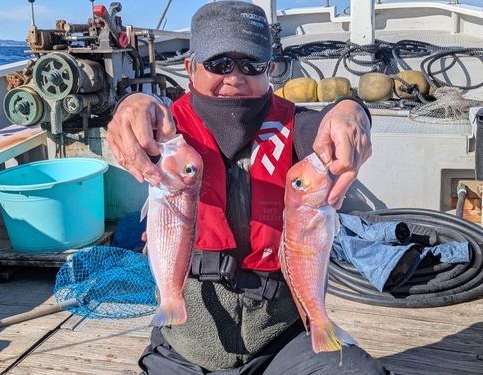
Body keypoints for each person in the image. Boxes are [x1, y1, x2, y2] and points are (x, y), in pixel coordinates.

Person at [107, 2, 390, 374]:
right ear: (191, 68)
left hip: (283, 340)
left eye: (252, 65)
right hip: (184, 345)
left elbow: (326, 125)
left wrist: (352, 110)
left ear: (270, 70)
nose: (236, 77)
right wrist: (130, 103)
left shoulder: (297, 127)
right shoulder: (168, 138)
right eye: (220, 63)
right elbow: (140, 114)